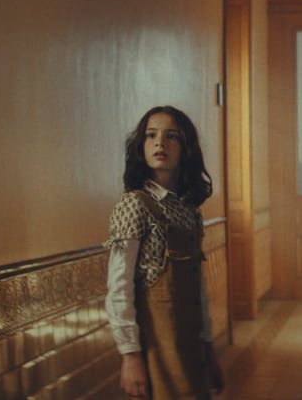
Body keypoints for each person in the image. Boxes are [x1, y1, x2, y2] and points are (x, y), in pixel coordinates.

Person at [104, 106, 225, 399]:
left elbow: (198, 291)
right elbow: (119, 288)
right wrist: (130, 356)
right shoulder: (134, 205)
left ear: (186, 148)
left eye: (172, 136)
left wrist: (208, 349)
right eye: (151, 135)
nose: (160, 142)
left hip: (191, 350)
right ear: (141, 146)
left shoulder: (189, 211)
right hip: (158, 354)